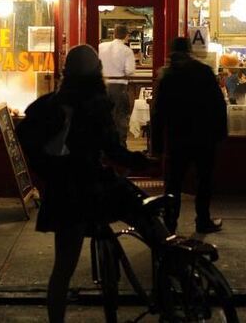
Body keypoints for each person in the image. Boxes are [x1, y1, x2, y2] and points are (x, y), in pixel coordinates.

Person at [16, 44, 172, 323]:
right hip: (94, 189)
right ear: (97, 73)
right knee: (148, 216)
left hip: (63, 194)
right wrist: (144, 162)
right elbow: (114, 151)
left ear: (66, 73)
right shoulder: (95, 105)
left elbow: (28, 136)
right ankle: (173, 274)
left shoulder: (50, 105)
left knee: (62, 269)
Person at [151, 37, 228, 234]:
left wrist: (157, 146)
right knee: (204, 181)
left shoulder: (166, 76)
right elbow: (219, 105)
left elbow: (158, 113)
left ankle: (169, 225)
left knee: (173, 184)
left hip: (178, 138)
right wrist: (221, 133)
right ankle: (202, 220)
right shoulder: (203, 71)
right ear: (190, 50)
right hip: (204, 136)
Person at [98, 25, 136, 147]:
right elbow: (130, 70)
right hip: (119, 87)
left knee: (103, 116)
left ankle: (103, 145)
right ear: (126, 35)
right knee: (120, 117)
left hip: (103, 85)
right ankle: (120, 145)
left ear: (113, 34)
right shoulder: (127, 50)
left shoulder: (101, 47)